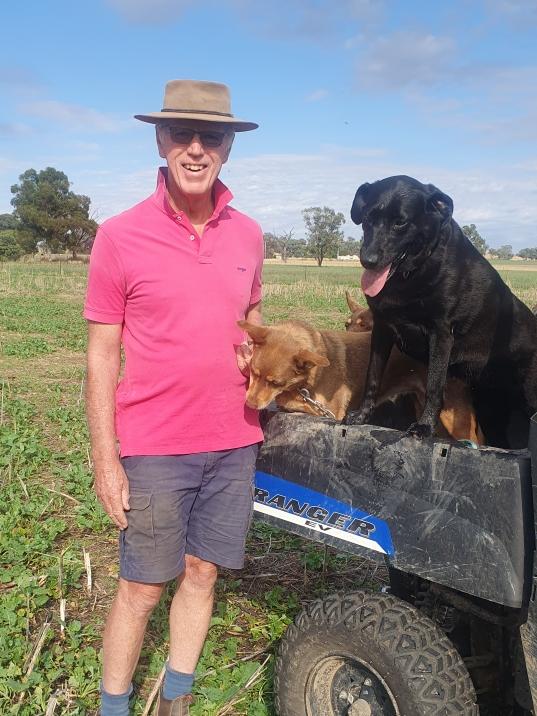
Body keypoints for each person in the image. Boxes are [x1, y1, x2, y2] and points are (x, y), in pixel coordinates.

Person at [84, 80, 263, 716]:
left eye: (209, 136)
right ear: (159, 141)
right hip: (156, 444)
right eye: (180, 134)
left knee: (202, 572)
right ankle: (114, 705)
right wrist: (106, 458)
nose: (195, 148)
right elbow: (103, 354)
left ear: (228, 147)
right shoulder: (120, 236)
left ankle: (177, 700)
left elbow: (250, 323)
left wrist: (251, 352)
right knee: (140, 585)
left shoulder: (248, 235)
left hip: (236, 440)